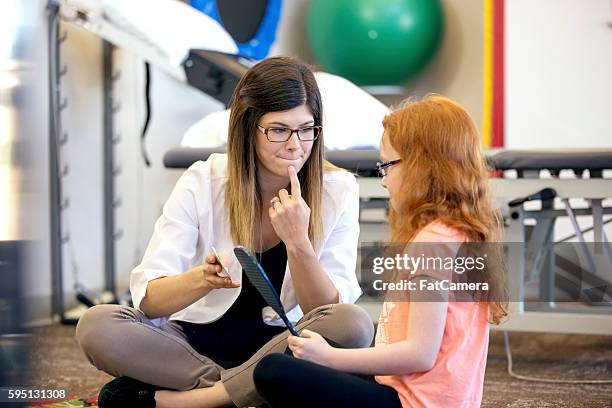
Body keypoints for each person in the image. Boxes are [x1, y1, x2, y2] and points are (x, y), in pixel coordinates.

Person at [75, 56, 374, 408]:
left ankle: (200, 400)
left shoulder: (337, 189)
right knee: (97, 325)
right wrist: (202, 279)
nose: (296, 145)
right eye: (279, 130)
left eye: (307, 129)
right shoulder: (204, 180)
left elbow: (325, 312)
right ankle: (250, 392)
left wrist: (299, 243)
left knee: (353, 324)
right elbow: (150, 299)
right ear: (248, 128)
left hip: (284, 347)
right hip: (193, 345)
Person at [252, 95, 508, 408]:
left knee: (273, 370)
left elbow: (420, 353)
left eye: (386, 165)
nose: (383, 180)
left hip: (411, 402)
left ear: (421, 166)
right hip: (412, 392)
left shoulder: (433, 243)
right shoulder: (458, 233)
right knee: (301, 352)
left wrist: (333, 358)